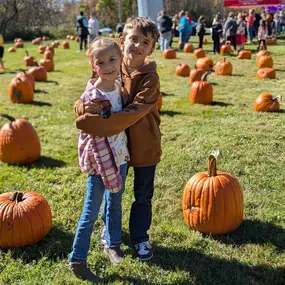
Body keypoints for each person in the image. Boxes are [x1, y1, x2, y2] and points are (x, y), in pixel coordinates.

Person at [74, 16, 161, 262]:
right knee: (113, 191)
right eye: (133, 39)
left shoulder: (150, 79)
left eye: (145, 42)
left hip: (143, 143)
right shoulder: (112, 64)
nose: (137, 46)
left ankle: (140, 238)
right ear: (123, 41)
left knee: (142, 194)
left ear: (151, 49)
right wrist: (82, 108)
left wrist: (99, 126)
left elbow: (134, 111)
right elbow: (92, 92)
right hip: (118, 147)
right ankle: (110, 230)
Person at [68, 38, 130, 282]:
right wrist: (84, 108)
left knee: (114, 203)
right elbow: (85, 125)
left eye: (112, 59)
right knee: (90, 211)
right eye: (101, 62)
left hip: (120, 156)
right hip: (100, 161)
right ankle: (77, 258)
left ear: (120, 59)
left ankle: (113, 244)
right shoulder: (92, 96)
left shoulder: (118, 86)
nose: (107, 65)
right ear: (94, 66)